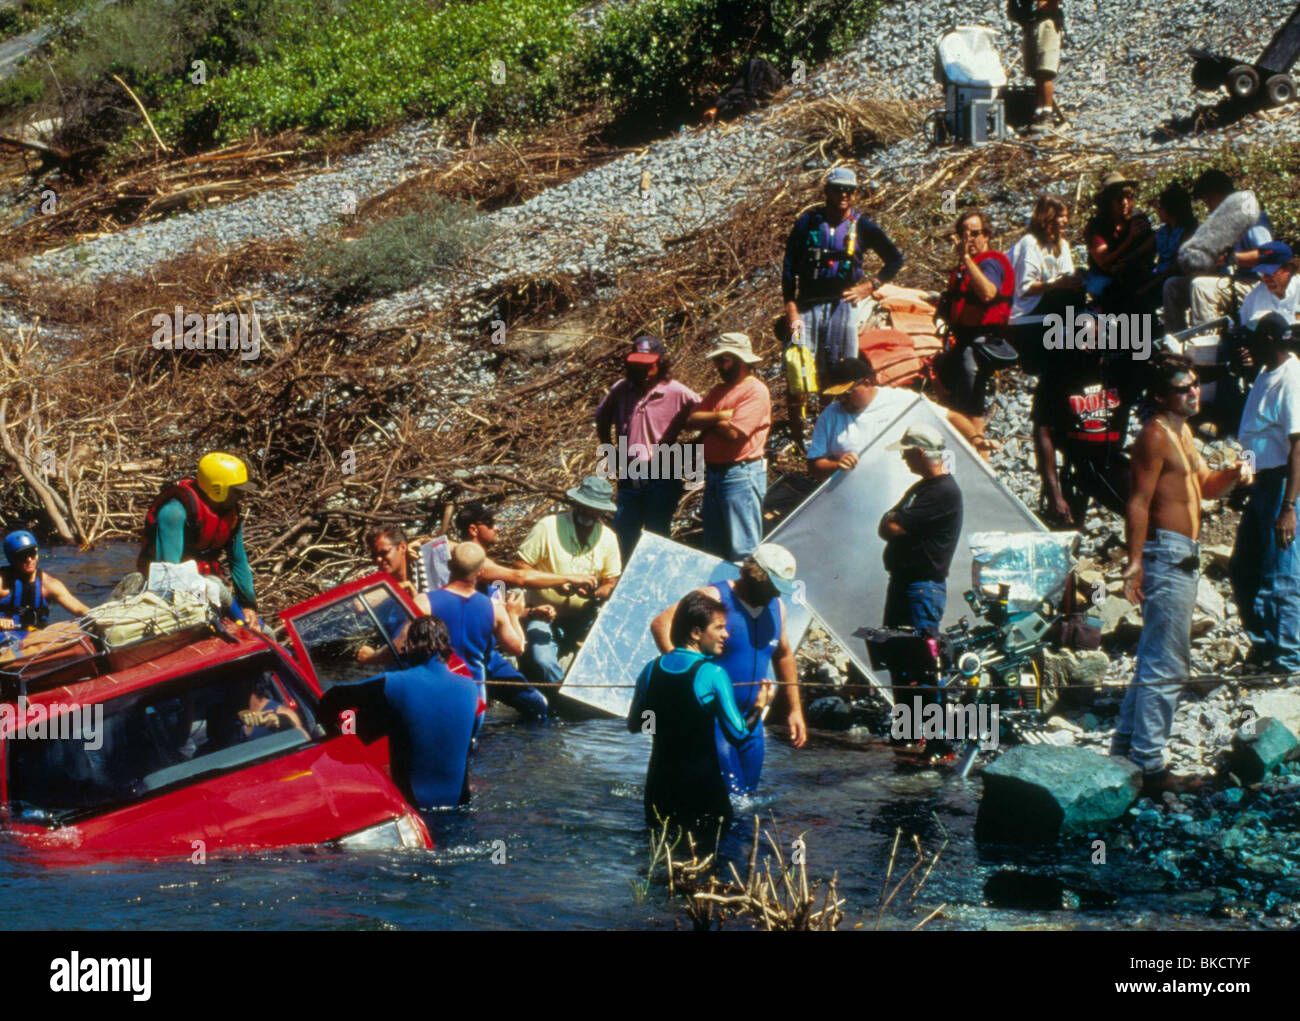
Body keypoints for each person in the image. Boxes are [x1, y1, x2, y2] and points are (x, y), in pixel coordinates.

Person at [1116, 355, 1249, 795]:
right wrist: (1133, 563)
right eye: (1182, 388)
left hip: (1184, 553)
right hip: (1166, 554)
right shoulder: (1153, 436)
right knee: (1167, 663)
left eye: (1194, 384)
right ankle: (1151, 767)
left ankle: (1124, 753)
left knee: (1155, 657)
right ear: (1159, 396)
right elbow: (1138, 502)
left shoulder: (1183, 431)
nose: (1193, 392)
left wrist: (1233, 474)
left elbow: (1204, 485)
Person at [650, 544, 806, 797]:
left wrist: (795, 710)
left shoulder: (778, 607)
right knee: (727, 797)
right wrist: (688, 677)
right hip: (712, 721)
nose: (776, 594)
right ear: (756, 575)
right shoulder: (714, 597)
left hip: (753, 721)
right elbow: (661, 624)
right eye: (772, 586)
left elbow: (784, 655)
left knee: (748, 799)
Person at [628, 590, 759, 842]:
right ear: (696, 633)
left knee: (659, 864)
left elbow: (637, 725)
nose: (726, 634)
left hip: (658, 789)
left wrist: (662, 719)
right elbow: (738, 734)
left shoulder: (650, 670)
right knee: (709, 868)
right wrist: (759, 707)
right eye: (719, 627)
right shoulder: (713, 674)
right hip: (703, 793)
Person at [781, 166, 904, 432]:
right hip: (806, 307)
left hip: (844, 305)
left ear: (856, 193)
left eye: (849, 190)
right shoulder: (807, 222)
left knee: (840, 367)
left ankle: (831, 423)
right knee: (796, 364)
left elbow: (895, 259)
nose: (843, 195)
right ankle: (796, 429)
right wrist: (791, 309)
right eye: (837, 189)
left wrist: (869, 287)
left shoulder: (863, 226)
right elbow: (789, 268)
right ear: (827, 191)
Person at [1230, 314, 1300, 674]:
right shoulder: (1262, 375)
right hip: (1260, 483)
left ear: (1271, 339)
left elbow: (1298, 445)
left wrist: (1289, 506)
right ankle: (1262, 644)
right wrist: (1246, 472)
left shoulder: (1292, 378)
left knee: (1282, 576)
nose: (1248, 347)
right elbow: (1253, 432)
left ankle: (1288, 658)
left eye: (1255, 340)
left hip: (1284, 484)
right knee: (1244, 569)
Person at [594, 335, 700, 560]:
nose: (641, 369)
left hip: (662, 475)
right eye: (636, 364)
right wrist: (611, 453)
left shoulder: (677, 392)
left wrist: (688, 450)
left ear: (660, 363)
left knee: (657, 536)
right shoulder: (621, 390)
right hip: (631, 473)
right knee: (623, 533)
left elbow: (705, 417)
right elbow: (601, 420)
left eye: (647, 365)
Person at [515, 475, 622, 687]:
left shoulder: (608, 537)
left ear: (602, 511)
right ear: (576, 503)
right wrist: (555, 582)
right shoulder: (548, 526)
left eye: (594, 509)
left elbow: (612, 582)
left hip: (584, 617)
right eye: (584, 506)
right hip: (543, 613)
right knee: (543, 660)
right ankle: (562, 695)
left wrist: (595, 593)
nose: (588, 512)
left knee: (608, 660)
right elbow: (520, 568)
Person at [138, 451, 262, 629]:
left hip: (206, 586)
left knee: (265, 632)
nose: (241, 497)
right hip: (172, 589)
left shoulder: (231, 513)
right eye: (236, 492)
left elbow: (238, 561)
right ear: (217, 488)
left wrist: (249, 606)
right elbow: (169, 574)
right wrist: (204, 603)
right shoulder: (174, 512)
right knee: (217, 585)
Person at [684, 333, 772, 562]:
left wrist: (710, 420)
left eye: (724, 360)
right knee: (714, 547)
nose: (718, 366)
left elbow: (734, 433)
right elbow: (691, 420)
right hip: (715, 474)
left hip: (740, 474)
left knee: (742, 549)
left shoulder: (756, 391)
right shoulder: (718, 390)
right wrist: (721, 416)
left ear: (739, 360)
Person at [932, 209, 1018, 443]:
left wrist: (967, 259)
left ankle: (976, 436)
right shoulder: (961, 270)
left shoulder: (990, 263)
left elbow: (988, 293)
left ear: (986, 235)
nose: (968, 238)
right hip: (962, 340)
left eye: (974, 233)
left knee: (970, 376)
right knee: (940, 369)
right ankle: (959, 427)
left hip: (985, 341)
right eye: (963, 233)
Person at [1032, 344, 1140, 528]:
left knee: (1142, 508)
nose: (1086, 346)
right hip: (1074, 463)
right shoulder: (1056, 376)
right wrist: (1054, 494)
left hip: (1108, 460)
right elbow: (1043, 435)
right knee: (1064, 527)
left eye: (1093, 340)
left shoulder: (1121, 370)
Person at [380, 616, 482, 809]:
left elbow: (352, 724)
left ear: (410, 645)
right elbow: (471, 735)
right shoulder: (470, 687)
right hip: (460, 804)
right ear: (446, 647)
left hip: (412, 808)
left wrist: (346, 727)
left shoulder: (393, 684)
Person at [424, 542, 528, 726]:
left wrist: (370, 657)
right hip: (474, 698)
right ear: (480, 572)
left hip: (435, 692)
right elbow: (517, 648)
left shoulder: (425, 602)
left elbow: (400, 646)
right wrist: (514, 615)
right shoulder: (494, 610)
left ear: (449, 566)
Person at [1162, 169, 1273, 333]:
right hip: (1227, 280)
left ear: (1218, 196)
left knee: (1201, 287)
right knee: (1173, 286)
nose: (1208, 208)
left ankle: (1208, 347)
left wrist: (1231, 259)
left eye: (1208, 202)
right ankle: (1175, 343)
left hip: (1254, 284)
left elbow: (1268, 255)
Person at [878, 425, 963, 633]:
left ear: (920, 453)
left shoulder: (942, 492)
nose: (903, 459)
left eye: (906, 453)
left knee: (918, 658)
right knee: (897, 653)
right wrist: (892, 521)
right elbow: (886, 525)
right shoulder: (922, 488)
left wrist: (894, 520)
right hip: (906, 584)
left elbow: (892, 525)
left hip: (921, 588)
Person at [805, 357, 918, 480]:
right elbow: (814, 465)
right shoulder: (830, 415)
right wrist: (837, 466)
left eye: (847, 393)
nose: (842, 399)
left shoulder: (901, 400)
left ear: (867, 383)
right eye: (838, 395)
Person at [1008, 194, 1084, 375]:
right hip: (1027, 308)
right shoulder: (1030, 243)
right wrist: (1054, 285)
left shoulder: (1062, 245)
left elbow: (1066, 275)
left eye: (1066, 216)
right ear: (1048, 218)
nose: (1065, 221)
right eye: (1060, 216)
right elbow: (1024, 288)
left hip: (1053, 304)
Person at [1083, 172, 1154, 315]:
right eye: (1119, 199)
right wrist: (1130, 239)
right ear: (1108, 201)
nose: (1125, 203)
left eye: (1128, 197)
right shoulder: (1097, 226)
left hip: (1131, 272)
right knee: (1110, 289)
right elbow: (1104, 261)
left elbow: (1150, 246)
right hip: (1103, 276)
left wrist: (1127, 262)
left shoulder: (1138, 220)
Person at [0, 530, 90, 634]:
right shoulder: (2, 582)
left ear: (37, 554)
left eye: (31, 553)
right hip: (4, 636)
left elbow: (80, 610)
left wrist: (101, 619)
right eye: (23, 556)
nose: (29, 559)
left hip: (35, 635)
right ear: (11, 559)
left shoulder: (49, 584)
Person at [1136, 183, 1198, 312]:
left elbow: (1175, 268)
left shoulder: (1187, 233)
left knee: (1142, 297)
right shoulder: (1163, 231)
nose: (1158, 211)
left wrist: (1147, 286)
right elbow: (1139, 251)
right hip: (1159, 277)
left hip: (1173, 278)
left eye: (1161, 207)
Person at [1017, 1, 1065, 127]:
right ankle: (1039, 110)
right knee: (1037, 74)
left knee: (1045, 71)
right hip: (1035, 25)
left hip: (1047, 25)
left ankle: (1047, 112)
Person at [1239, 242, 1300, 328]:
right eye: (1263, 273)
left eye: (1270, 272)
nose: (1265, 278)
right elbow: (1246, 329)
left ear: (1288, 269)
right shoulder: (1255, 297)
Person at [368, 526, 427, 597]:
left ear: (402, 547)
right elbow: (358, 605)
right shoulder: (377, 585)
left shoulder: (422, 569)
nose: (378, 559)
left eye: (384, 553)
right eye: (374, 556)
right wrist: (397, 588)